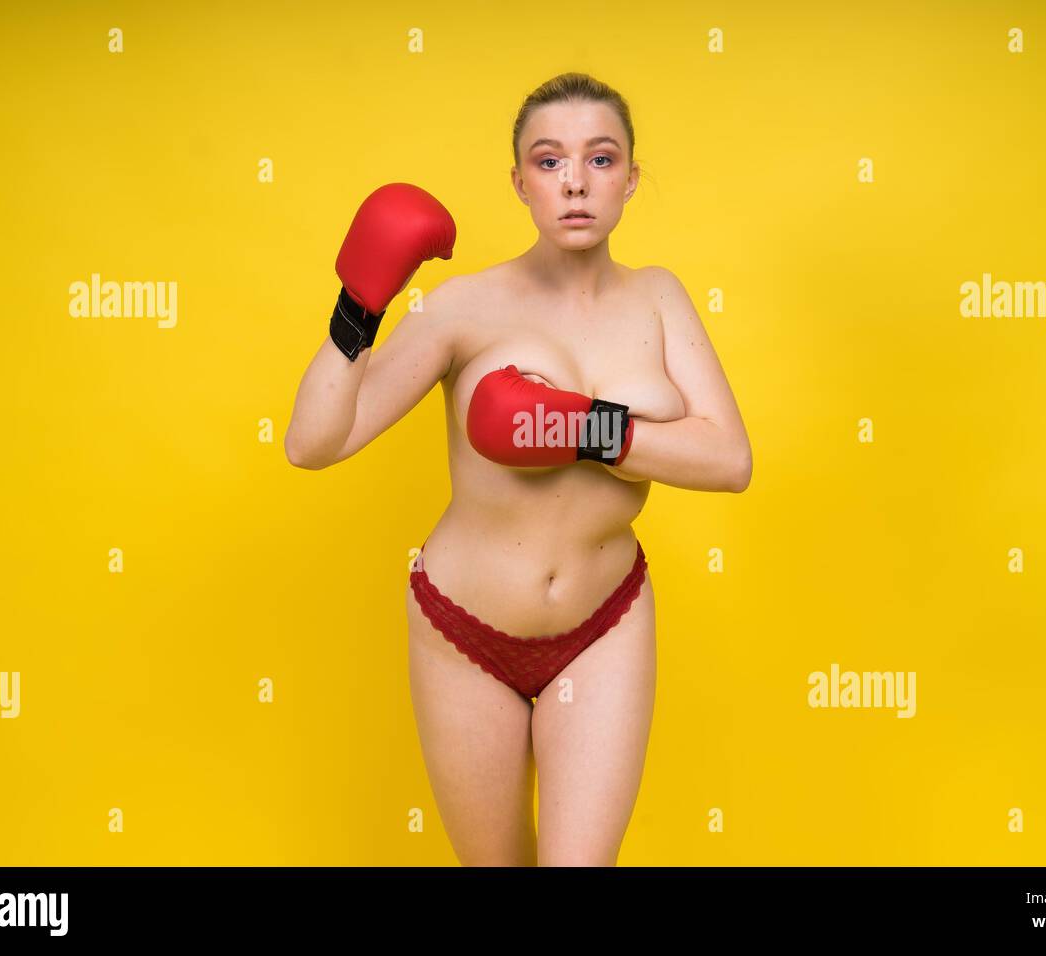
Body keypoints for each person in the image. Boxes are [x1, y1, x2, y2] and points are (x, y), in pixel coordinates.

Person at [285, 72, 752, 866]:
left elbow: (729, 459)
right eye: (548, 161)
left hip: (605, 622)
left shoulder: (659, 297)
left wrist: (584, 429)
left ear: (632, 179)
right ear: (519, 183)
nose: (574, 180)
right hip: (463, 632)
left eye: (601, 159)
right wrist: (357, 306)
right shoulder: (464, 308)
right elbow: (315, 443)